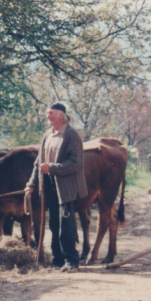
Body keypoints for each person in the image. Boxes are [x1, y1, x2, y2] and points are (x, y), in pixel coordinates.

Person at [25, 102, 88, 272]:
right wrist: (32, 183)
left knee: (65, 224)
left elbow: (75, 163)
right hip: (49, 186)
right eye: (47, 113)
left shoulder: (71, 135)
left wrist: (52, 168)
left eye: (51, 113)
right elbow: (38, 162)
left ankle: (72, 261)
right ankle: (58, 258)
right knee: (54, 224)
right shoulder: (48, 134)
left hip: (65, 186)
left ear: (61, 115)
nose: (48, 116)